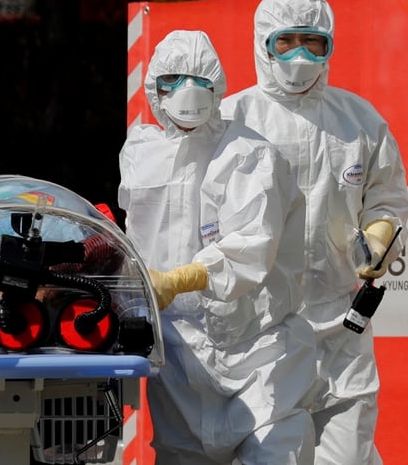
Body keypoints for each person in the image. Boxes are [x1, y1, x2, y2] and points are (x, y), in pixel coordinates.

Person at [219, 0, 408, 465]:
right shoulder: (231, 119)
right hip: (261, 332)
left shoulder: (359, 121)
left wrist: (382, 230)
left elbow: (386, 197)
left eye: (314, 41)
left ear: (330, 45)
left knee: (348, 456)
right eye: (286, 41)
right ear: (263, 41)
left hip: (341, 327)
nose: (300, 54)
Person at [118, 29, 316, 464]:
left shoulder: (249, 154)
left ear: (218, 86)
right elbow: (130, 236)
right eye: (172, 80)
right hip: (178, 360)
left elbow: (253, 246)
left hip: (258, 354)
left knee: (274, 453)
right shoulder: (140, 153)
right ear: (154, 87)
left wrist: (178, 278)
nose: (187, 91)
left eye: (200, 80)